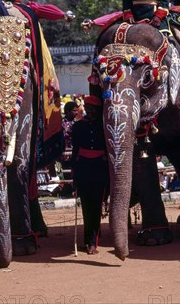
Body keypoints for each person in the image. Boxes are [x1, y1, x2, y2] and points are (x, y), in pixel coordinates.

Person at [71, 95, 109, 255]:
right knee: (87, 208)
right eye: (89, 109)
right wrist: (75, 174)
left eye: (93, 110)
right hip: (84, 170)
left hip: (99, 170)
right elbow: (75, 151)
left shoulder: (104, 126)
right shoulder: (78, 126)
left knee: (96, 207)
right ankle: (89, 240)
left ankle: (93, 241)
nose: (91, 112)